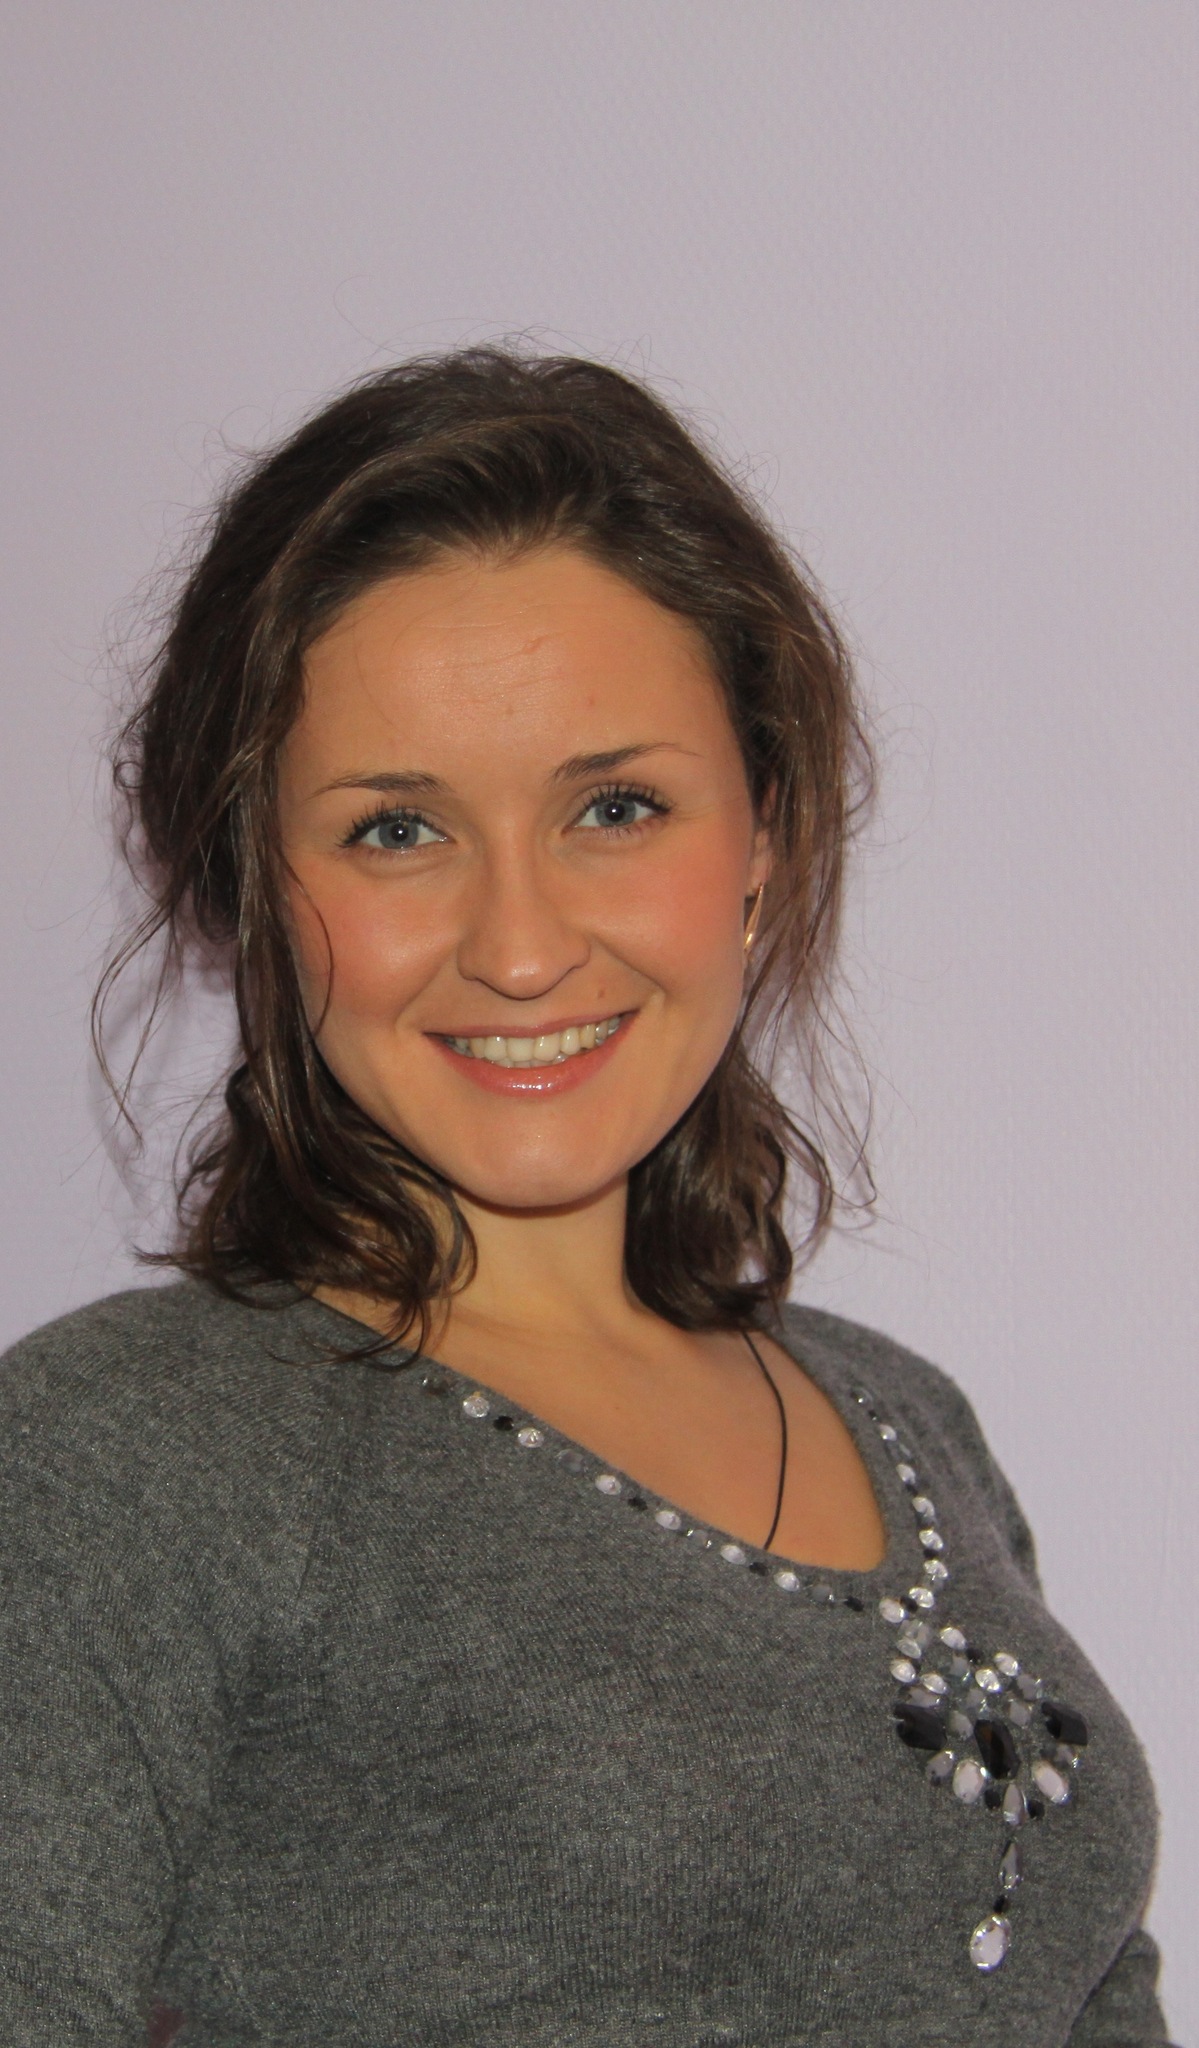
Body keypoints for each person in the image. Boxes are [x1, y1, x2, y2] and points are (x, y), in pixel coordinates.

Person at [0, 348, 1173, 2047]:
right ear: (257, 883)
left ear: (762, 837)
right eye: (396, 831)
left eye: (615, 807)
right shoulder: (131, 1451)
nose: (523, 943)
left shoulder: (911, 1425)